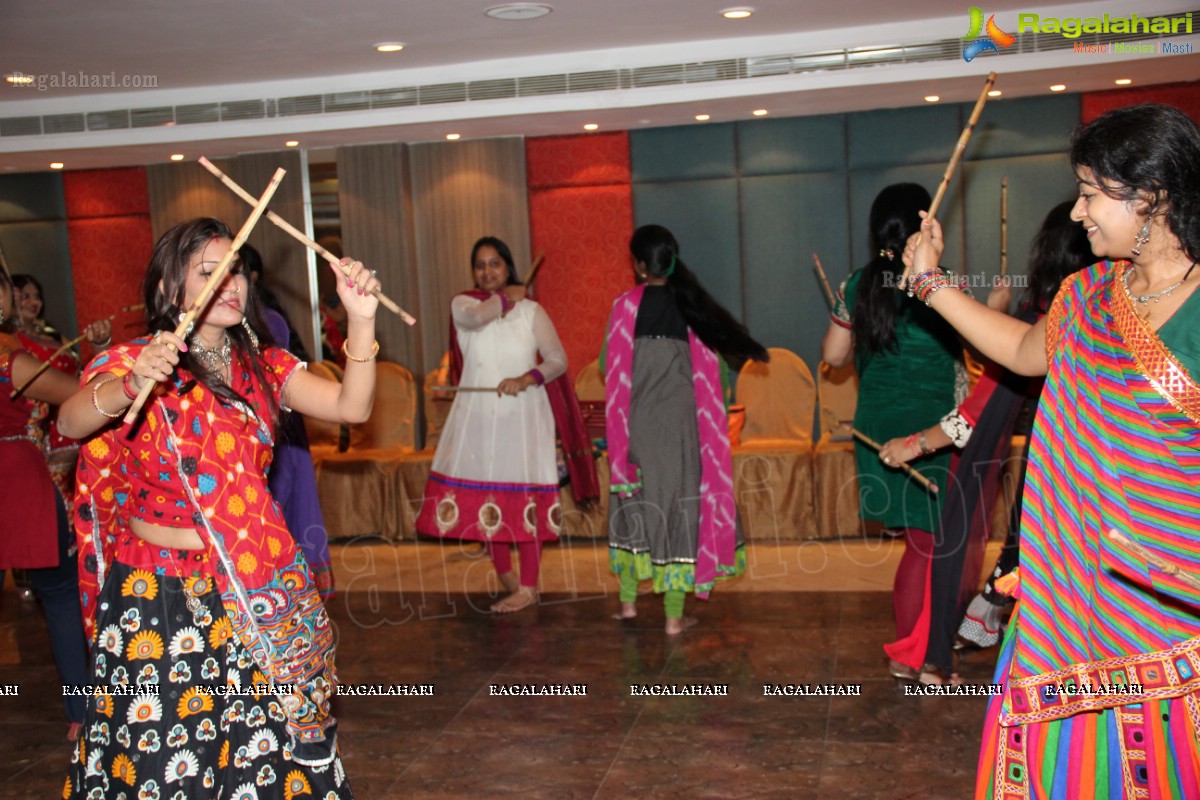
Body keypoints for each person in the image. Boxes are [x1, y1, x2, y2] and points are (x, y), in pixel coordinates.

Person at [901, 104, 1200, 797]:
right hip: (1061, 603)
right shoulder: (1088, 293)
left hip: (1163, 606)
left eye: (1092, 192)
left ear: (1150, 197)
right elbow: (1021, 351)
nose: (1077, 212)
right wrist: (927, 280)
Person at [56, 218, 381, 799]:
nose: (230, 283)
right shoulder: (139, 363)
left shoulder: (264, 367)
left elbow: (351, 407)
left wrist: (360, 319)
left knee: (260, 755)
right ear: (168, 290)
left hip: (251, 593)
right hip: (155, 598)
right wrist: (132, 385)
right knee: (162, 759)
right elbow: (71, 420)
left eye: (235, 270)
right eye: (209, 272)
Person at [878, 201, 1096, 685]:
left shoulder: (1073, 310)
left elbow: (978, 409)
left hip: (1075, 487)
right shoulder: (1073, 310)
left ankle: (949, 646)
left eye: (1093, 195)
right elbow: (1010, 363)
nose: (1086, 208)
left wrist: (914, 445)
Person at [821, 183, 964, 679]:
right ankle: (921, 657)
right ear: (924, 223)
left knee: (920, 546)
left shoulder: (856, 283)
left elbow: (834, 357)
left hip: (877, 427)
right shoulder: (939, 282)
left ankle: (914, 653)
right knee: (932, 547)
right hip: (931, 429)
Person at [603, 224, 766, 634]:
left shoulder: (624, 307)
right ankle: (674, 619)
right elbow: (713, 381)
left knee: (634, 509)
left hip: (635, 429)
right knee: (680, 514)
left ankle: (627, 605)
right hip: (680, 433)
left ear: (639, 266)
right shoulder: (693, 310)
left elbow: (609, 370)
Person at [415, 236, 567, 613]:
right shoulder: (463, 304)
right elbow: (477, 319)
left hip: (524, 413)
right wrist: (505, 298)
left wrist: (527, 378)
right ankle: (506, 575)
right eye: (480, 265)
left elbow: (557, 360)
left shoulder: (532, 311)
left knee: (525, 495)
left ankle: (528, 586)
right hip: (479, 416)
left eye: (495, 263)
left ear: (508, 266)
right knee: (490, 495)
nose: (487, 271)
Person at [0, 267, 91, 741]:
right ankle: (80, 711)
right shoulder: (9, 360)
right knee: (58, 592)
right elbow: (78, 393)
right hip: (16, 474)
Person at [242, 244, 333, 598]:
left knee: (280, 506)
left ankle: (284, 591)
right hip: (245, 433)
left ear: (252, 278)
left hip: (277, 432)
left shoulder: (269, 322)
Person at [10, 273, 111, 502]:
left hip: (78, 421)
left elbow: (85, 376)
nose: (33, 302)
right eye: (24, 296)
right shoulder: (12, 345)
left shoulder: (54, 336)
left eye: (37, 296)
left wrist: (100, 346)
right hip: (45, 432)